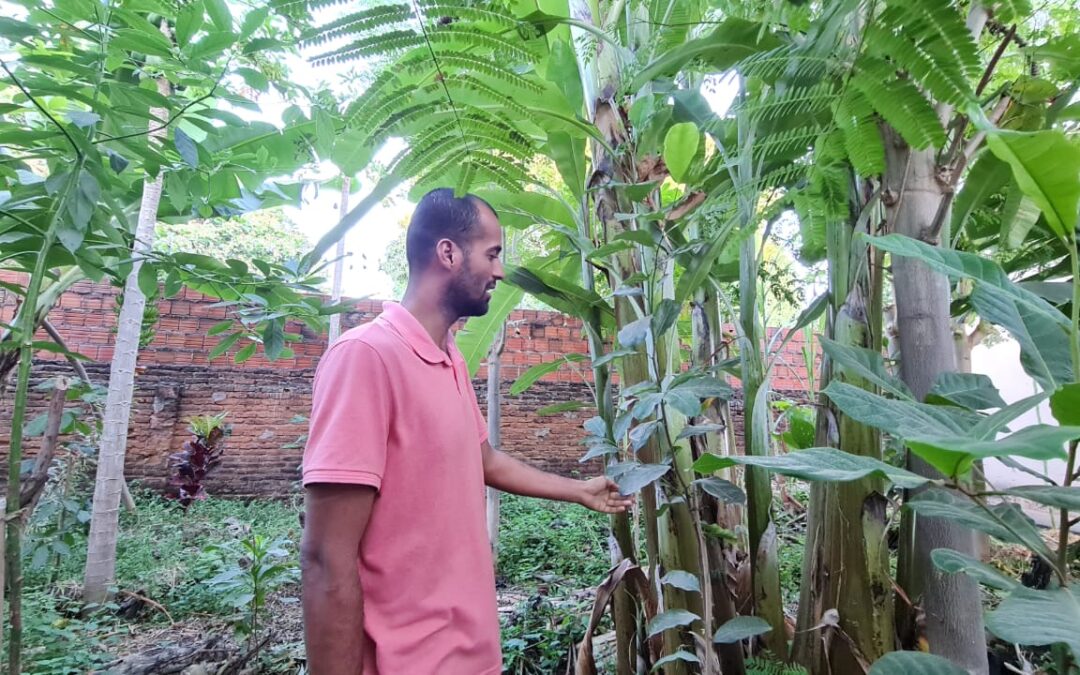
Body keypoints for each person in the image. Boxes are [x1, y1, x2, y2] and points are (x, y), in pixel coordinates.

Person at [300, 187, 634, 675]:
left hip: (469, 653)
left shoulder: (449, 356)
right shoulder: (366, 358)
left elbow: (484, 461)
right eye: (493, 253)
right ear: (448, 253)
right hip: (405, 662)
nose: (500, 270)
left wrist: (579, 490)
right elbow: (325, 558)